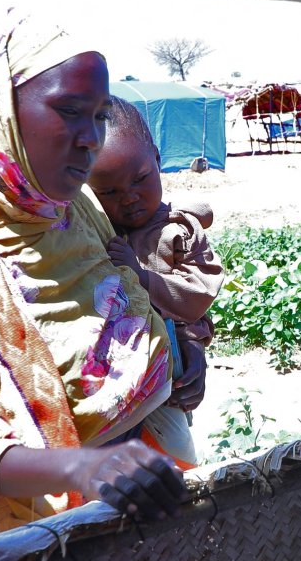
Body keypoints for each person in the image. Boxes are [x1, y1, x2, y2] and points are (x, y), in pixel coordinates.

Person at [0, 18, 201, 551]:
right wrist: (83, 468)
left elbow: (132, 297)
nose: (90, 139)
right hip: (36, 547)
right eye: (69, 111)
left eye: (99, 116)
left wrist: (184, 355)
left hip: (154, 493)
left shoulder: (74, 209)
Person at [88, 98, 225, 399]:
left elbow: (198, 295)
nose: (129, 198)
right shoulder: (95, 232)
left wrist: (141, 276)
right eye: (109, 192)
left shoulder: (180, 231)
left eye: (140, 180)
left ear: (158, 160)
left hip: (171, 371)